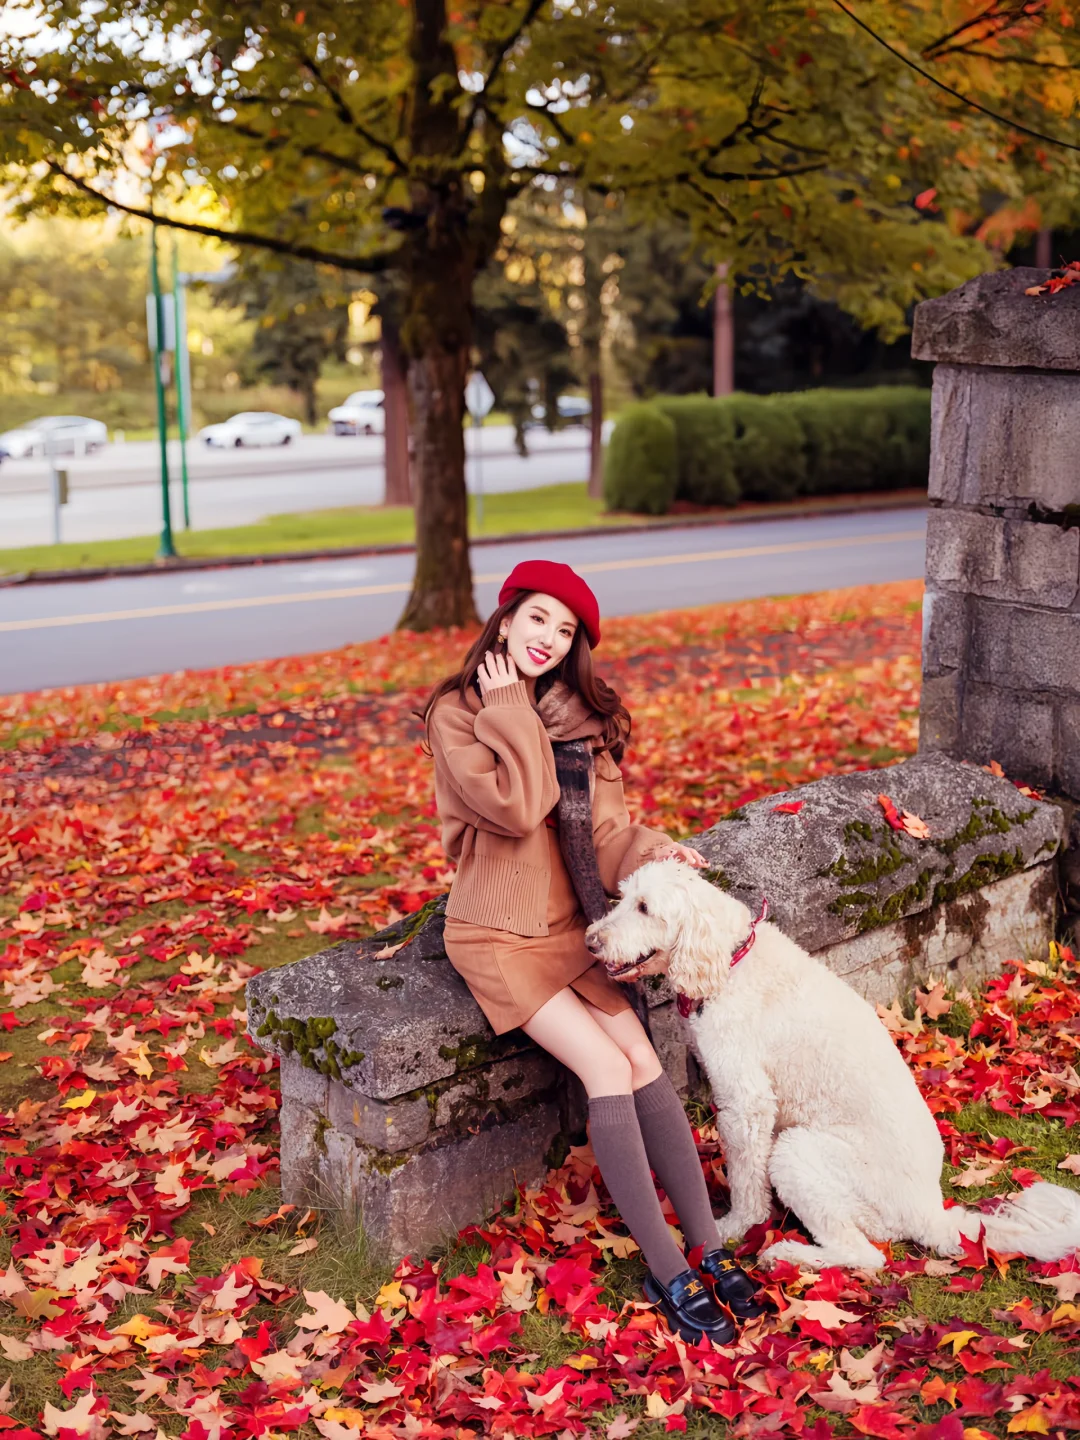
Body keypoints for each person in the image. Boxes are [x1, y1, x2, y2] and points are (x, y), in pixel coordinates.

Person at [420, 558, 765, 1345]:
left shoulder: (583, 718)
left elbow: (605, 836)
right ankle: (666, 1269)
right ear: (505, 619)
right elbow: (520, 806)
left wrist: (660, 849)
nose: (548, 637)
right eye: (537, 618)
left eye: (565, 629)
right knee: (606, 1068)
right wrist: (510, 706)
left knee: (645, 1060)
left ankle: (707, 1251)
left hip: (566, 928)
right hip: (497, 936)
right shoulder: (459, 711)